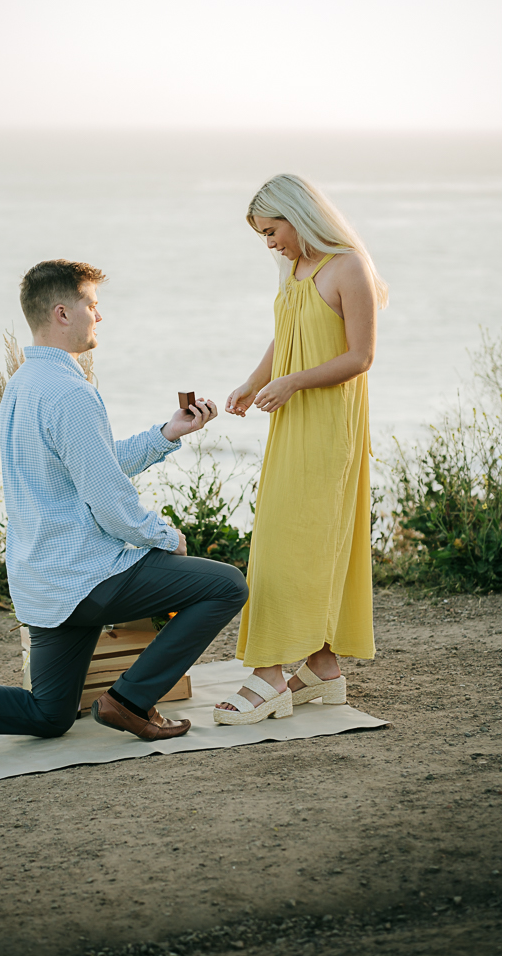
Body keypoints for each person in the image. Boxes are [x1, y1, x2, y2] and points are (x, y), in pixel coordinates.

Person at [0, 259, 248, 766]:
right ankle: (130, 700)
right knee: (226, 585)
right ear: (62, 312)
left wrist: (165, 435)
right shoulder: (72, 393)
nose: (101, 315)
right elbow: (109, 501)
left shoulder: (22, 386)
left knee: (48, 715)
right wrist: (163, 535)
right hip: (87, 576)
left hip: (43, 580)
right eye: (93, 304)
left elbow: (90, 465)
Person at [214, 174, 388, 724]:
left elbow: (360, 357)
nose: (270, 244)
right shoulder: (294, 269)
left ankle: (270, 675)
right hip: (292, 421)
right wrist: (254, 379)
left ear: (299, 215)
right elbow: (285, 331)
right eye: (262, 235)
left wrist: (293, 382)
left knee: (292, 542)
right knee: (293, 536)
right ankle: (322, 666)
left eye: (272, 230)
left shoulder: (348, 267)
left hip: (329, 425)